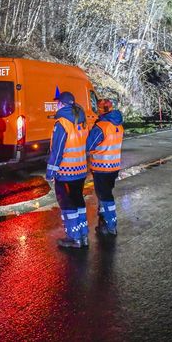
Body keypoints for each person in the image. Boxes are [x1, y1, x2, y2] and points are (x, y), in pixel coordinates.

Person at [46, 91, 90, 248]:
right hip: (80, 170)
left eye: (57, 102)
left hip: (65, 172)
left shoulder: (61, 123)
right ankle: (83, 235)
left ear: (61, 104)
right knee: (78, 201)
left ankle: (73, 237)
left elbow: (57, 151)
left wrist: (50, 172)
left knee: (67, 204)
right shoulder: (82, 120)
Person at [86, 98, 123, 236]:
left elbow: (89, 146)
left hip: (101, 168)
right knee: (105, 195)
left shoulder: (101, 126)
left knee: (105, 196)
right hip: (114, 166)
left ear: (100, 110)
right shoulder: (118, 125)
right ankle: (104, 223)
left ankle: (111, 226)